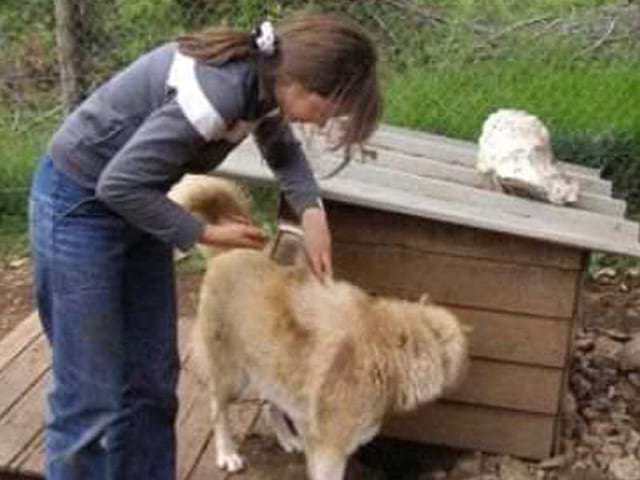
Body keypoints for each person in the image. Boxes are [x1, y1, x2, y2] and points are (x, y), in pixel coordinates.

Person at [28, 12, 381, 480]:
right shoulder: (216, 97)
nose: (327, 120)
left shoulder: (266, 84)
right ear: (302, 83)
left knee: (153, 381)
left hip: (138, 204)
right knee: (90, 396)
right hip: (79, 206)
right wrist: (206, 234)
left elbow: (282, 151)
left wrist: (313, 214)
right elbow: (117, 186)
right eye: (330, 108)